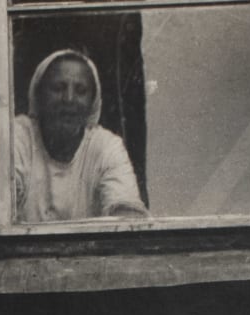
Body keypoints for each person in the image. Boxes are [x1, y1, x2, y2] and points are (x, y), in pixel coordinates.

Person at [14, 48, 149, 223]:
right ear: (39, 96)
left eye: (81, 90)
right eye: (57, 88)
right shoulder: (18, 136)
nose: (69, 99)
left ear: (92, 103)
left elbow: (128, 217)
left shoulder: (106, 147)